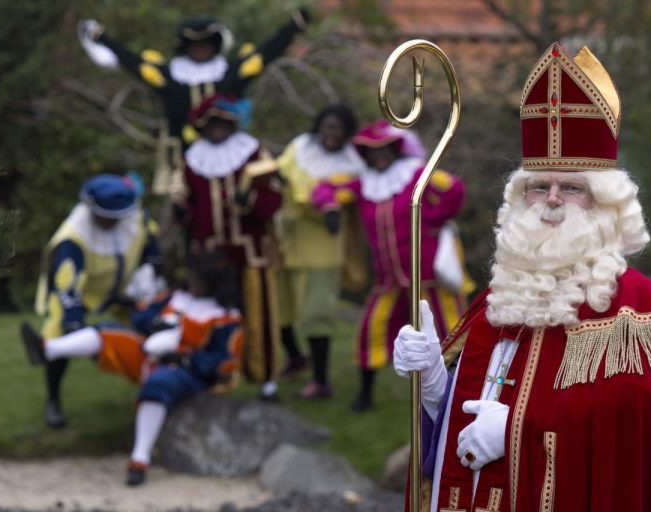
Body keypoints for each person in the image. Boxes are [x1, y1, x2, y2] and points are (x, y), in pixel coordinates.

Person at [393, 42, 651, 511]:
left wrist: (515, 433)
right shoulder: (500, 296)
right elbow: (467, 414)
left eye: (571, 187)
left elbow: (627, 441)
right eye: (538, 187)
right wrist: (433, 381)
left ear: (607, 204)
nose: (551, 200)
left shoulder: (633, 305)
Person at [22, 249, 243, 487]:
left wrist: (186, 359)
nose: (192, 280)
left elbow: (224, 362)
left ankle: (139, 460)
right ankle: (46, 350)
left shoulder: (226, 316)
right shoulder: (176, 296)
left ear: (212, 282)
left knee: (160, 382)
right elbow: (142, 317)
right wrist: (150, 321)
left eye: (198, 278)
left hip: (187, 372)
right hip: (150, 354)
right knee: (108, 332)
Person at [313, 119, 466, 412]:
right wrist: (329, 207)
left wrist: (432, 219)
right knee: (371, 330)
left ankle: (459, 386)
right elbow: (326, 189)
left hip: (429, 275)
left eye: (383, 149)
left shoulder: (416, 174)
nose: (378, 156)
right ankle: (365, 395)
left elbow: (454, 189)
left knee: (452, 331)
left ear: (395, 149)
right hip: (387, 279)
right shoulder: (362, 183)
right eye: (371, 152)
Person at [77, 11, 309, 191]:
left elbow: (265, 53)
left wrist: (293, 26)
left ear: (215, 45)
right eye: (195, 44)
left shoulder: (229, 73)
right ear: (185, 46)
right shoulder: (171, 76)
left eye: (206, 43)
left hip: (230, 154)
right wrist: (103, 38)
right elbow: (132, 60)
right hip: (182, 158)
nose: (201, 49)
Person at [173, 92, 283, 401]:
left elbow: (274, 197)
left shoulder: (253, 153)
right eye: (211, 125)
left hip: (251, 251)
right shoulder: (192, 160)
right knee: (212, 318)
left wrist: (248, 202)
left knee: (259, 314)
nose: (217, 130)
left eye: (222, 123)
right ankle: (214, 375)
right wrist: (182, 212)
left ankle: (265, 379)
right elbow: (186, 201)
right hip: (210, 256)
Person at [30, 174, 162, 428]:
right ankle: (53, 401)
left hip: (126, 288)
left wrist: (149, 271)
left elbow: (152, 249)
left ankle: (156, 390)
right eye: (106, 217)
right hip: (84, 291)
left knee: (154, 329)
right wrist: (74, 323)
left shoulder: (137, 218)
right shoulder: (73, 236)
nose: (111, 222)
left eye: (116, 218)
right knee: (60, 334)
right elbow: (67, 284)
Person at [275, 104, 366, 398]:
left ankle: (321, 380)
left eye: (337, 129)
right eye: (327, 127)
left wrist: (317, 200)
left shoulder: (353, 163)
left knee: (317, 313)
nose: (331, 134)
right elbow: (281, 175)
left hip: (322, 247)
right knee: (281, 308)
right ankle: (295, 358)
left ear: (346, 132)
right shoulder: (299, 147)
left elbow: (346, 198)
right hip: (287, 239)